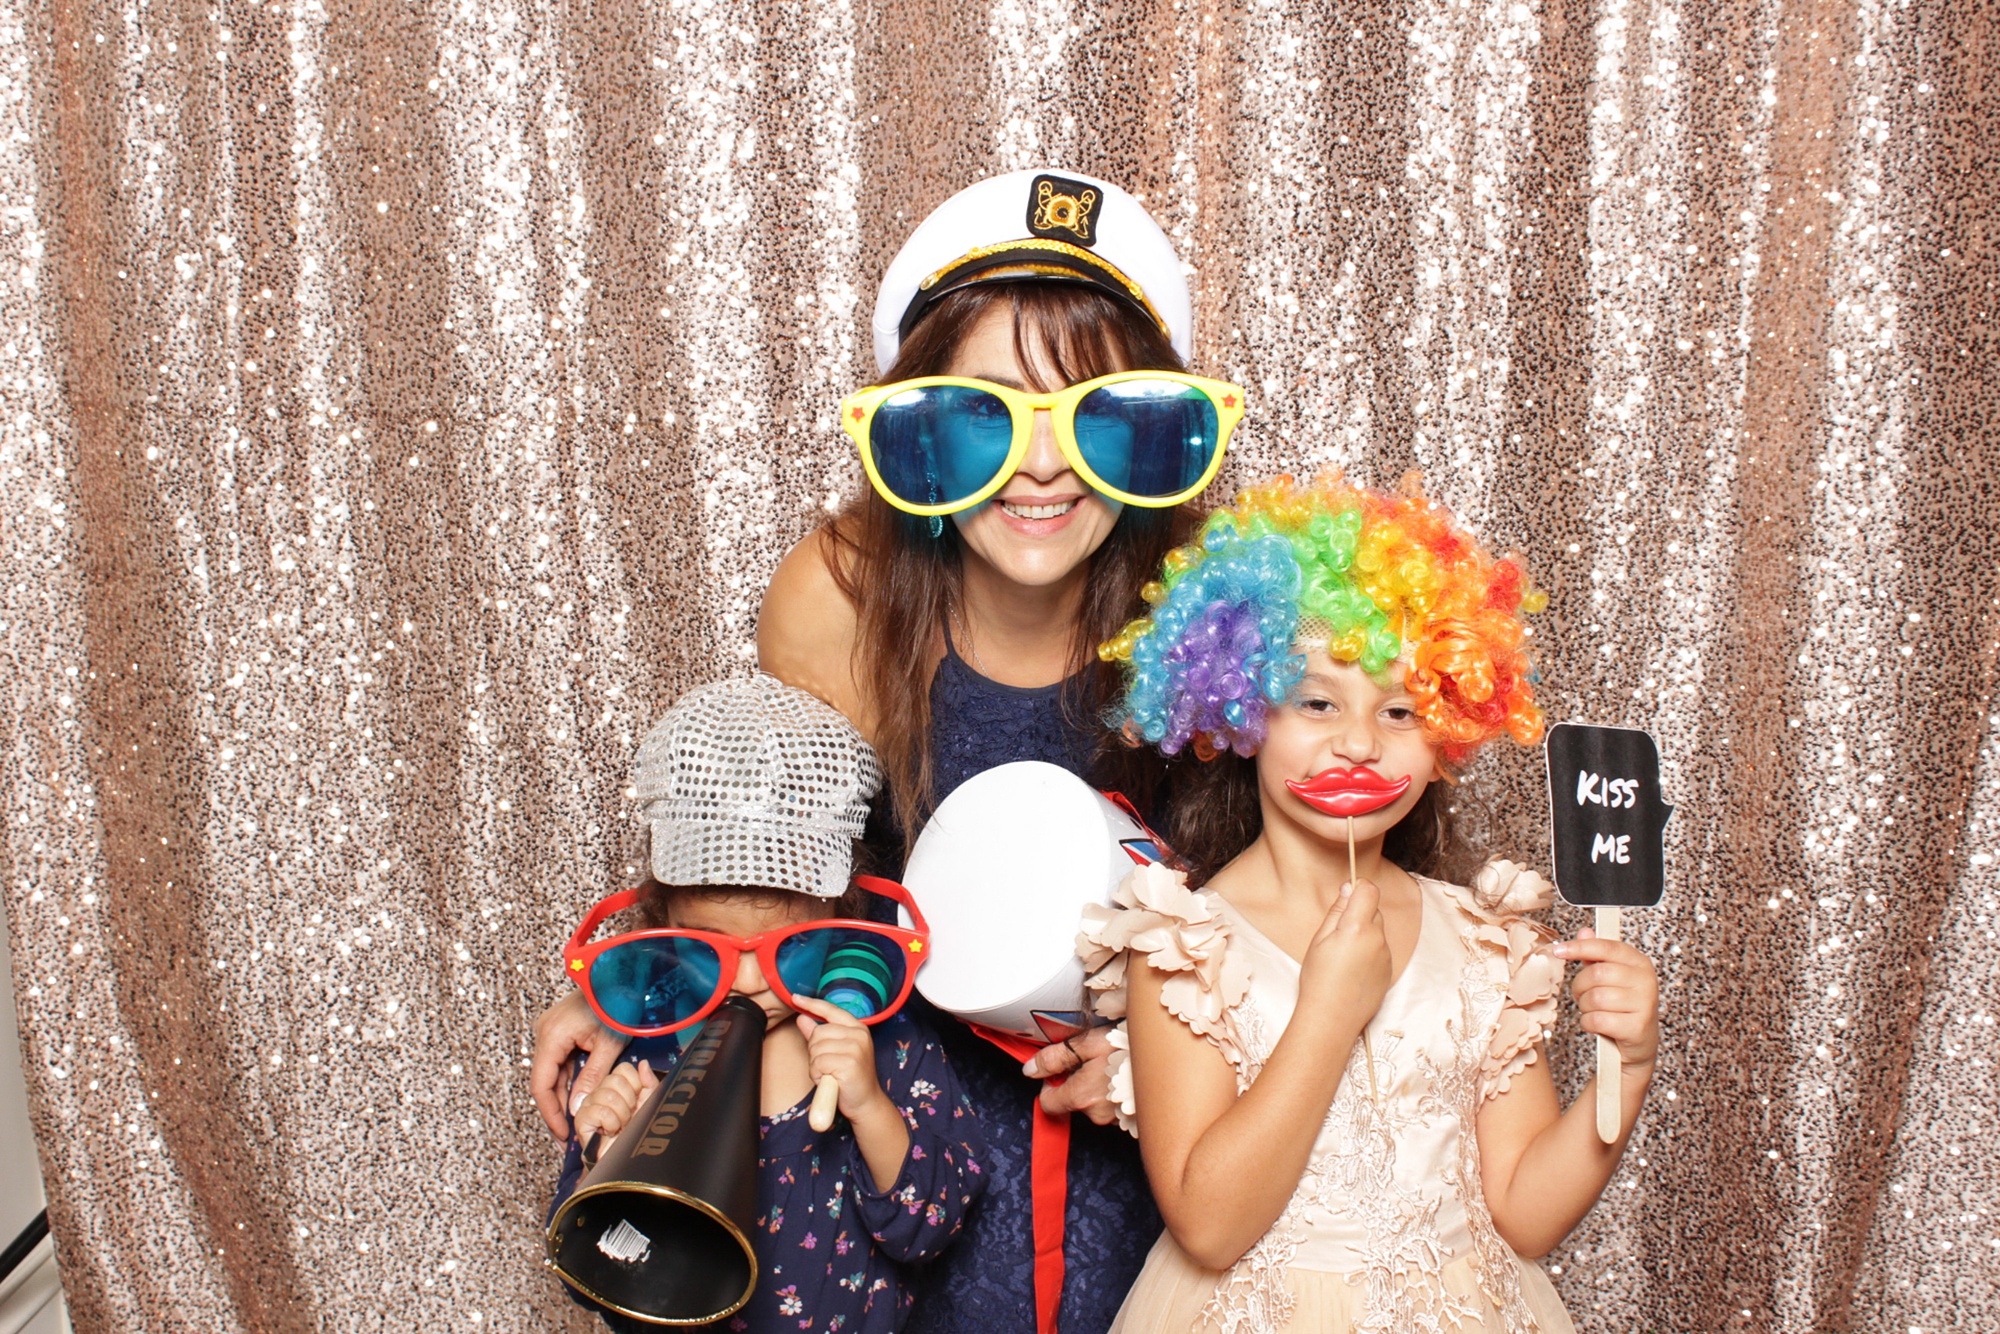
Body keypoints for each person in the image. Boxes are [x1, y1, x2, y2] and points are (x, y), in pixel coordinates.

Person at [533, 168, 1244, 1333]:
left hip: (1150, 1135)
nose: (1040, 467)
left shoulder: (1212, 607)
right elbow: (772, 857)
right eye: (982, 415)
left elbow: (1296, 892)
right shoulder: (840, 600)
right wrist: (635, 979)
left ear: (1155, 429)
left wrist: (1168, 1056)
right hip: (894, 1132)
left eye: (1093, 414)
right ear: (912, 430)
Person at [1081, 474, 1661, 1332]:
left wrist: (1631, 1065)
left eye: (1399, 710)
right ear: (1241, 710)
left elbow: (1526, 1215)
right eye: (1316, 702)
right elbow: (1208, 1226)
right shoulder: (1181, 943)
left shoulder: (1487, 939)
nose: (1358, 742)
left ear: (1448, 730)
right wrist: (1328, 1012)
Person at [550, 674, 986, 1333]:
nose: (748, 980)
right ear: (663, 915)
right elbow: (598, 1275)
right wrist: (603, 1156)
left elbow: (929, 1229)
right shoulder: (643, 1055)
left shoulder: (888, 1045)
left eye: (785, 947)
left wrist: (868, 1107)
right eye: (712, 945)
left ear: (842, 913)